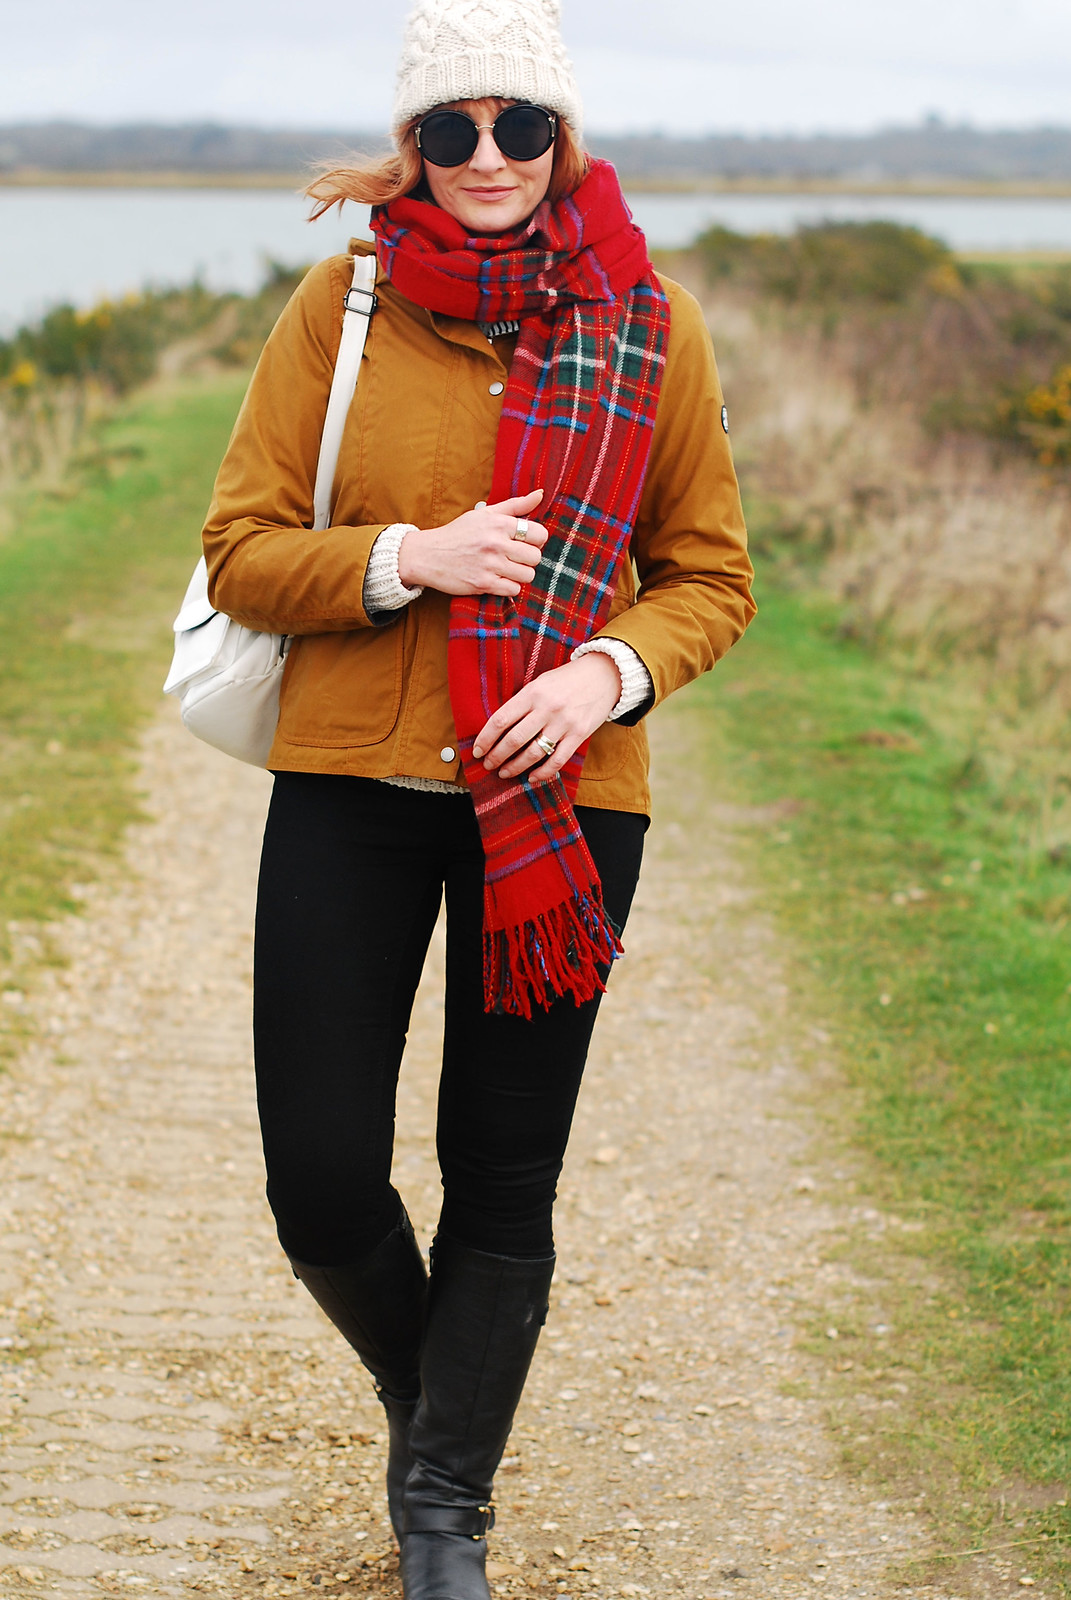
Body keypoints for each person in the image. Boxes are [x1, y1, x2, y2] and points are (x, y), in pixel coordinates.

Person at [201, 1, 754, 1595]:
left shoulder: (657, 324)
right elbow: (240, 549)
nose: (490, 157)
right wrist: (403, 562)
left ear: (561, 139)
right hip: (352, 779)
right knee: (319, 1177)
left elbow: (711, 577)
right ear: (414, 146)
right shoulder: (342, 305)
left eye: (521, 127)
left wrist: (604, 675)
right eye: (453, 130)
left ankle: (443, 1505)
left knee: (503, 1174)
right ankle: (426, 1389)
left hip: (569, 799)